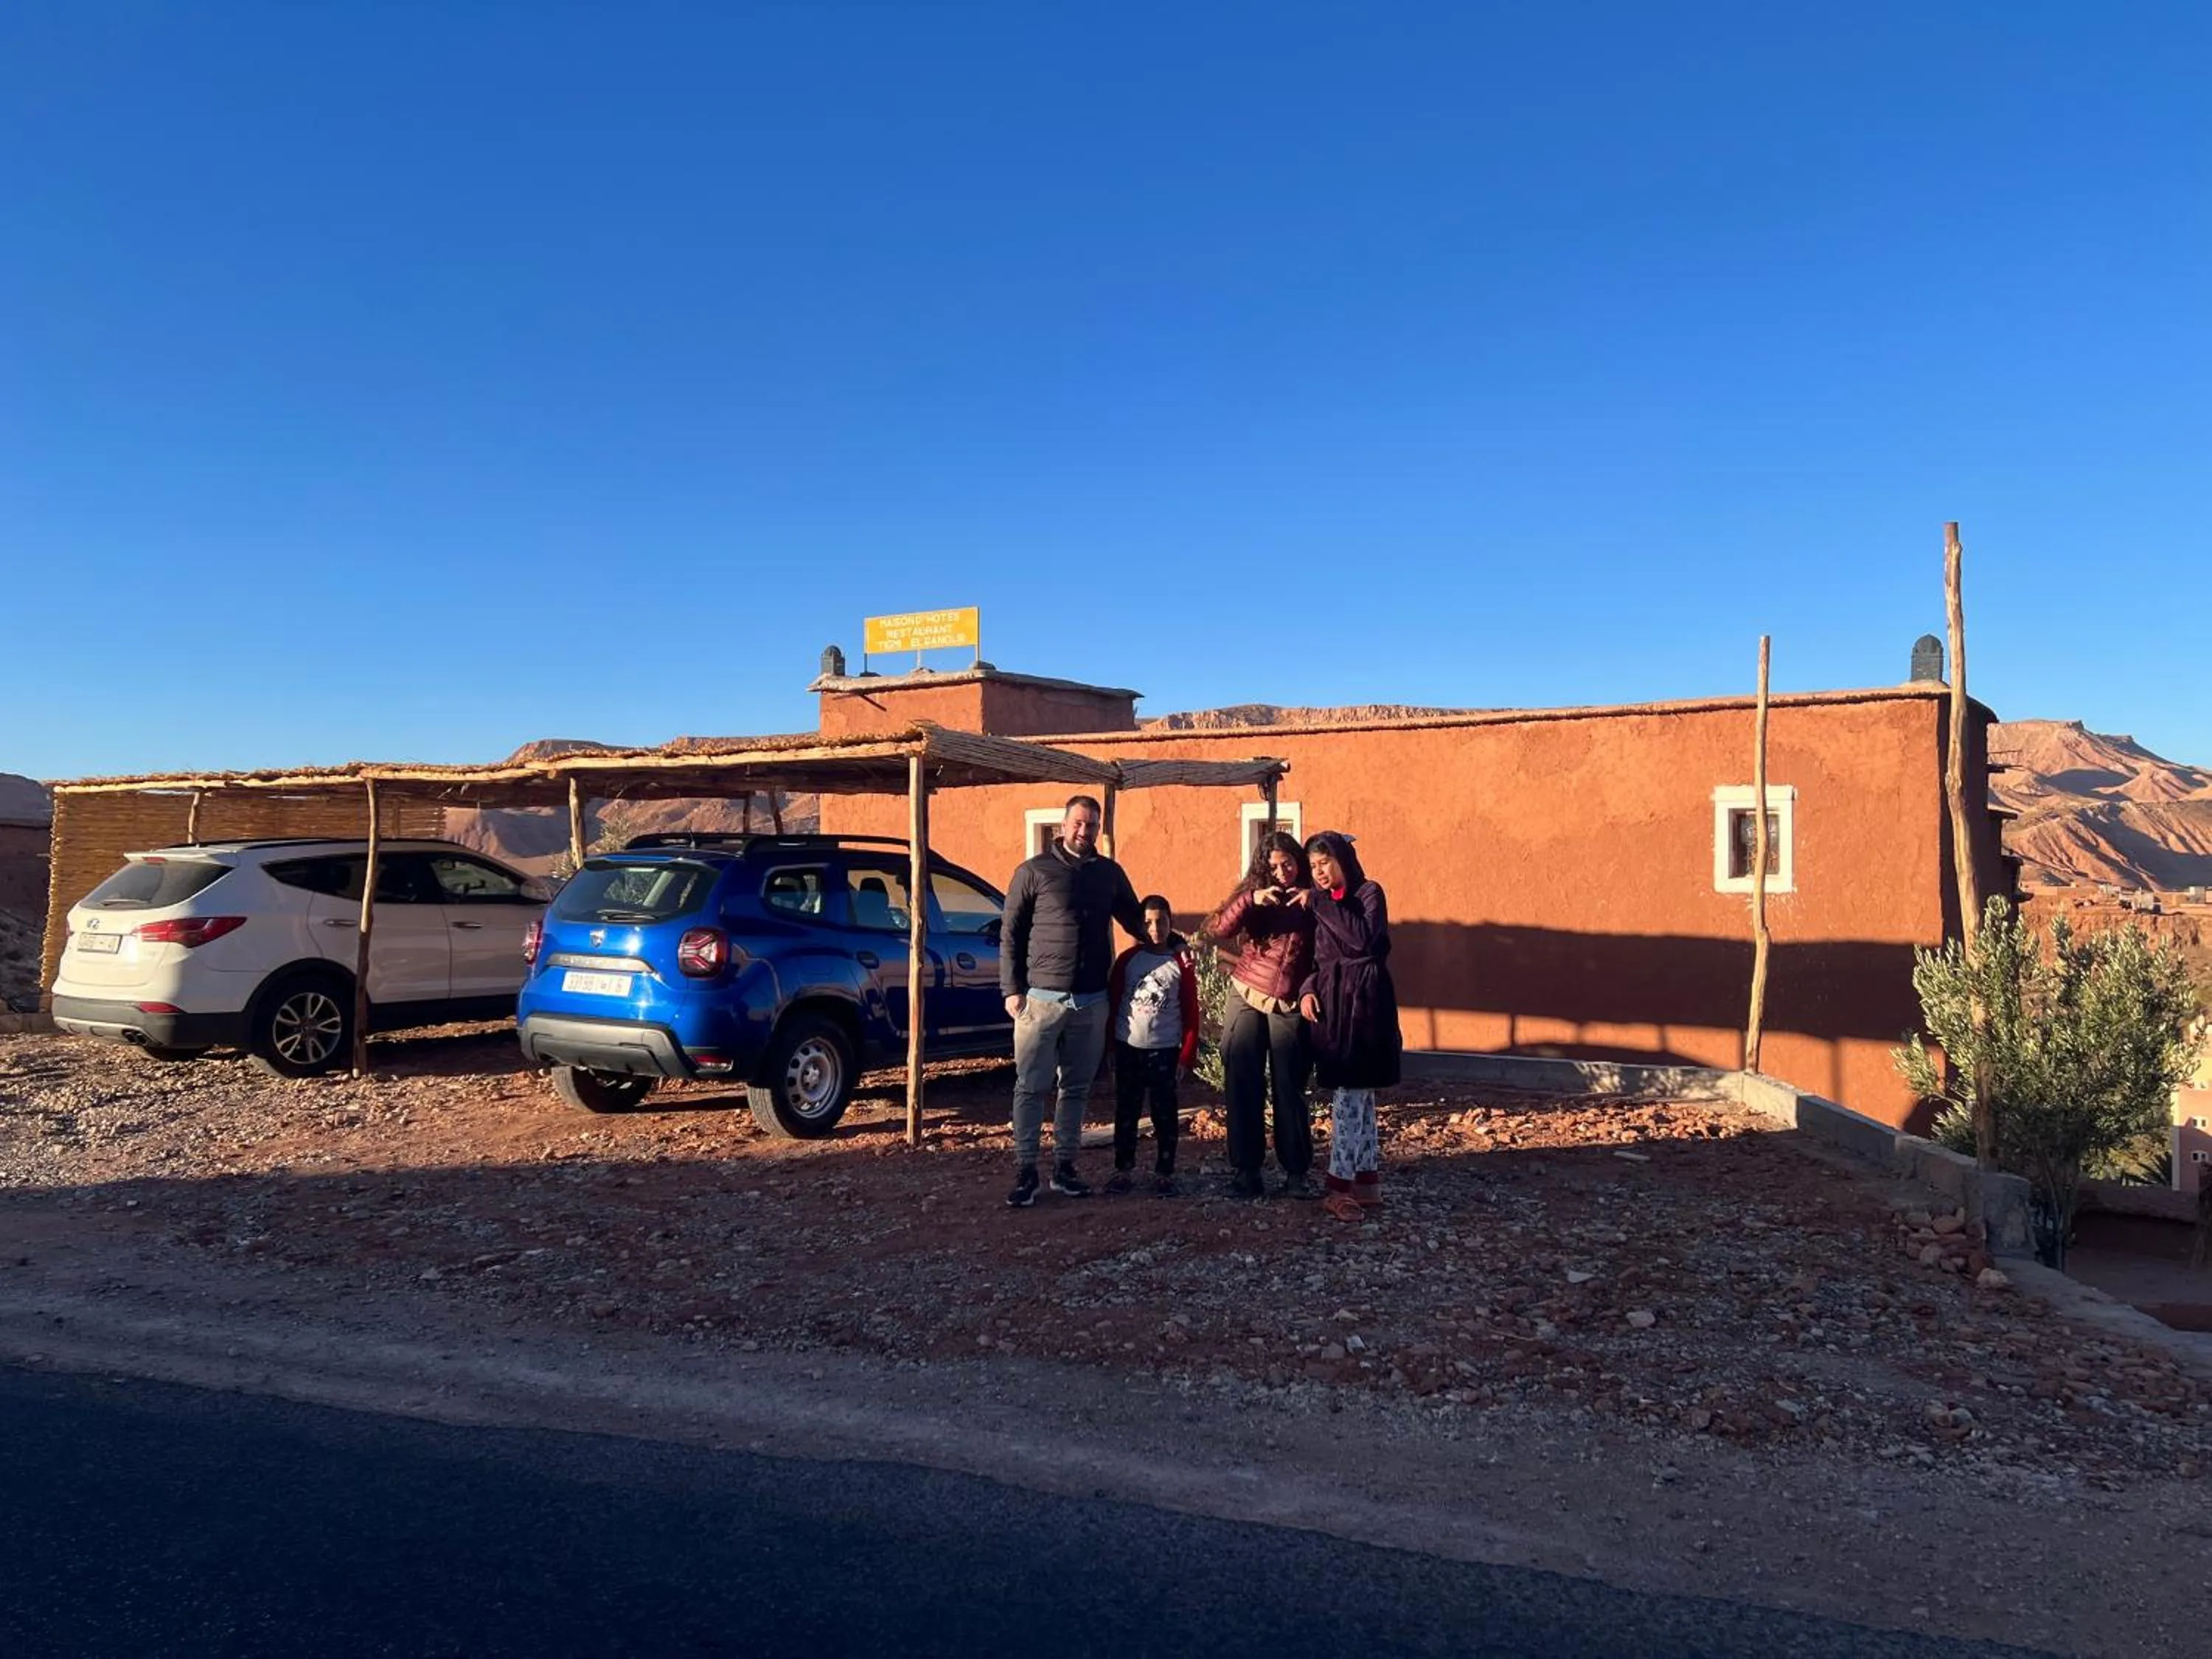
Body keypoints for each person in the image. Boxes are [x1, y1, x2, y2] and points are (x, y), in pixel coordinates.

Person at [1000, 794, 1147, 1207]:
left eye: (1093, 825)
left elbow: (1136, 919)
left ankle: (1065, 1168)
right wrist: (1011, 990)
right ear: (1062, 826)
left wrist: (1171, 944)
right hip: (1039, 1001)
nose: (1085, 832)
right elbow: (1010, 933)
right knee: (1031, 1087)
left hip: (1091, 1000)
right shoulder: (1033, 872)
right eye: (1079, 823)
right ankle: (1026, 1170)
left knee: (1076, 1088)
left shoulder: (1109, 874)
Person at [1203, 830, 1317, 1200]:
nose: (1282, 872)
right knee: (1242, 1084)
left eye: (1287, 864)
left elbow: (1329, 951)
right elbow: (1218, 929)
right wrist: (1250, 900)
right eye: (1274, 866)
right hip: (1247, 993)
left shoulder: (1314, 896)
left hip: (1289, 1001)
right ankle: (1246, 1172)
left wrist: (1316, 902)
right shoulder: (1253, 892)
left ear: (1297, 860)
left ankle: (1296, 1173)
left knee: (1289, 1088)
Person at [1299, 830, 1400, 1222]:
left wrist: (1321, 902)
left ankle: (1338, 1187)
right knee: (1358, 1098)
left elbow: (1360, 940)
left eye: (1325, 863)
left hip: (1366, 1007)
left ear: (1342, 859)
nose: (1319, 873)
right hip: (1334, 1005)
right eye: (1313, 867)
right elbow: (1316, 958)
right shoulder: (1321, 904)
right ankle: (1366, 1180)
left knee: (1351, 1098)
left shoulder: (1369, 894)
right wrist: (1309, 989)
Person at [1105, 896, 1199, 1196]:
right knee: (1127, 1111)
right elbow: (1114, 1002)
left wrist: (1186, 1056)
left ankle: (1165, 1173)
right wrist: (1110, 1049)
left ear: (1171, 923)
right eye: (1148, 922)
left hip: (1165, 1050)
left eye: (1161, 921)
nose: (1155, 928)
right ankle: (1123, 1170)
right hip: (1128, 1047)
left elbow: (1191, 1014)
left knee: (1165, 1113)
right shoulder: (1128, 961)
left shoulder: (1180, 965)